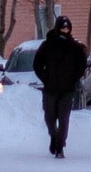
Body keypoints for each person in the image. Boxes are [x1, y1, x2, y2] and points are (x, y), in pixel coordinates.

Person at [34, 17, 88, 157]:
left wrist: (73, 79)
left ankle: (60, 147)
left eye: (67, 28)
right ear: (58, 28)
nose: (65, 30)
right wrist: (46, 78)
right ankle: (54, 137)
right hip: (50, 89)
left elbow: (82, 65)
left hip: (67, 90)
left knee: (64, 119)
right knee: (49, 118)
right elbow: (37, 64)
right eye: (63, 28)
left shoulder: (75, 47)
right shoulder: (47, 45)